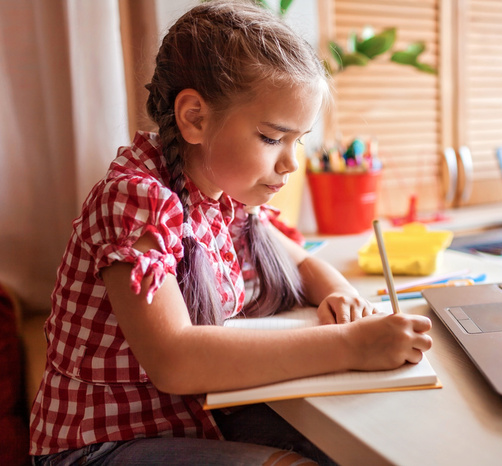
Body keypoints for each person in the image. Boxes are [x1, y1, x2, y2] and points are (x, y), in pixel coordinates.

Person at [28, 1, 432, 464]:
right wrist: (350, 345)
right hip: (98, 446)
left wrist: (343, 298)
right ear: (195, 118)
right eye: (271, 138)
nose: (291, 163)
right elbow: (175, 359)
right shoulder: (135, 199)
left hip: (192, 422)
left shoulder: (222, 195)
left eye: (298, 140)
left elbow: (300, 261)